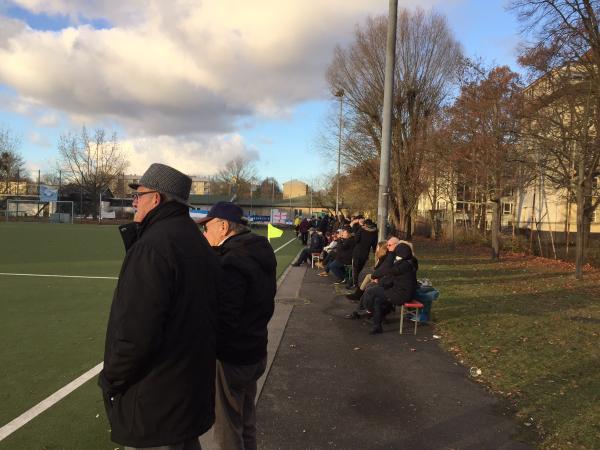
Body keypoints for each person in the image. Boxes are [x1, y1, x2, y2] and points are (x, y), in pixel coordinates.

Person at [99, 163, 220, 450]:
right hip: (186, 392)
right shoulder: (197, 241)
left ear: (157, 198)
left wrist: (111, 379)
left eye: (139, 195)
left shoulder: (153, 247)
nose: (135, 202)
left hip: (156, 399)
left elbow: (136, 331)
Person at [198, 201, 277, 450]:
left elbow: (225, 317)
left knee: (228, 429)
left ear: (223, 227)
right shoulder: (257, 252)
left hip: (233, 357)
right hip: (254, 348)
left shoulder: (232, 261)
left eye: (207, 227)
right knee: (245, 421)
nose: (204, 233)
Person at [362, 241, 418, 335]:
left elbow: (388, 270)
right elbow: (391, 278)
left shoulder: (403, 265)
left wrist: (391, 255)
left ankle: (371, 312)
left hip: (401, 294)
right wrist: (381, 282)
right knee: (377, 300)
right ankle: (377, 325)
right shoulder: (407, 263)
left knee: (370, 292)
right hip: (401, 291)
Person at [350, 218, 378, 288]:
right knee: (359, 269)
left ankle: (354, 283)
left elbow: (356, 240)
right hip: (365, 253)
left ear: (365, 224)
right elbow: (374, 245)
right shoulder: (374, 232)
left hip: (357, 252)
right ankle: (352, 282)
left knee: (355, 268)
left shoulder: (362, 230)